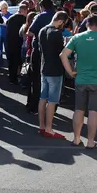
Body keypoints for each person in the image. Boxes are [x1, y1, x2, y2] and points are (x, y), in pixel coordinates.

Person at [60, 14, 97, 149]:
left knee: (79, 109)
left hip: (81, 79)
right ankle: (91, 142)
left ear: (86, 25)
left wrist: (70, 71)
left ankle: (76, 139)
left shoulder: (77, 38)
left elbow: (63, 55)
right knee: (93, 111)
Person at [38, 11, 69, 139]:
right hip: (55, 70)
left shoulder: (42, 30)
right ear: (61, 21)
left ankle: (42, 126)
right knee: (52, 100)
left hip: (44, 67)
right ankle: (49, 129)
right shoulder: (57, 33)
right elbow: (62, 53)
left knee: (43, 98)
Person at [27, 0, 55, 114]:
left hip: (39, 51)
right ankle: (52, 107)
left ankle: (35, 106)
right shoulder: (57, 15)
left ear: (42, 6)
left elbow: (30, 32)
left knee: (37, 79)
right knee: (53, 81)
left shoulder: (40, 16)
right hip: (54, 52)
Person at [6, 4, 28, 84]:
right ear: (25, 10)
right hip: (20, 43)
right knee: (20, 62)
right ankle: (20, 78)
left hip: (10, 43)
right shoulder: (24, 19)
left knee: (11, 62)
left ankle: (12, 78)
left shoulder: (10, 18)